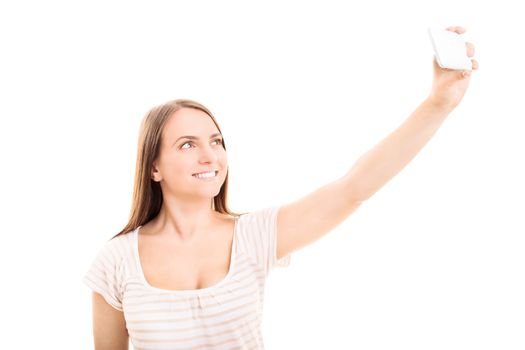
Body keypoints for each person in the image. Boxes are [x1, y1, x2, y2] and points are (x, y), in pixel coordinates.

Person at [83, 26, 478, 350]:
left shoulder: (254, 235)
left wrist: (439, 103)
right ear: (154, 167)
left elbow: (353, 187)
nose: (210, 156)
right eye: (188, 144)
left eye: (216, 141)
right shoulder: (115, 262)